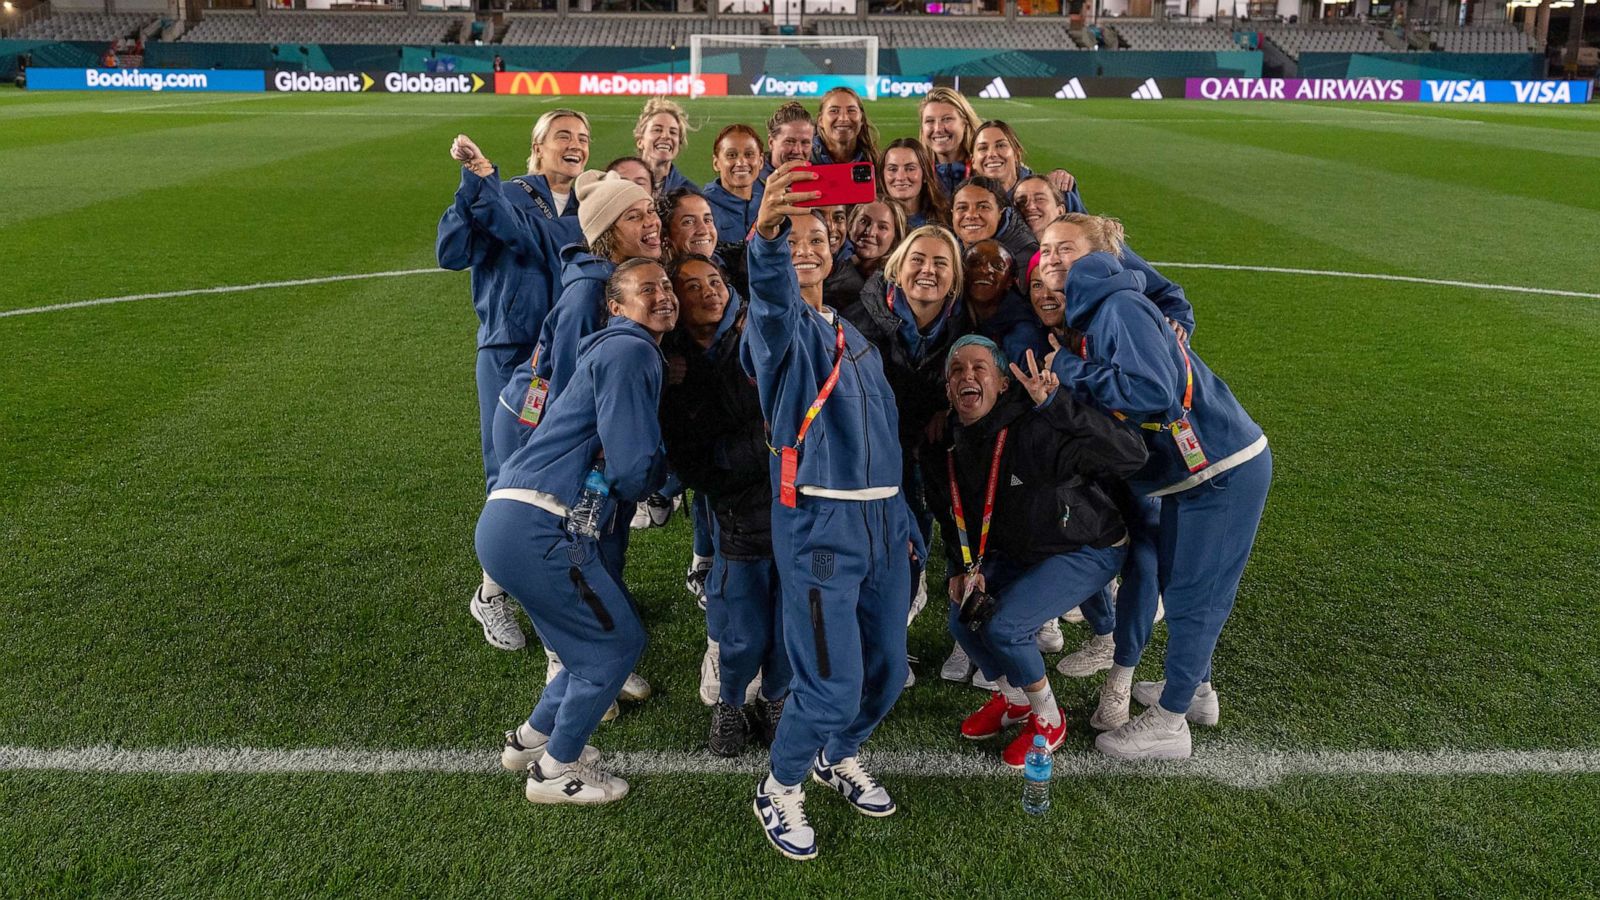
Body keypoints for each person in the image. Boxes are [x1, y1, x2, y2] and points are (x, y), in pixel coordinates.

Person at [1038, 213, 1271, 761]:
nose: (1051, 258)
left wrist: (1068, 368)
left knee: (1194, 597)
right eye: (1046, 249)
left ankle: (1170, 724)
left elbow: (1152, 391)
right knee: (1181, 581)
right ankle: (1194, 693)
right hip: (1194, 474)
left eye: (1065, 248)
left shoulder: (1119, 307)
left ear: (1101, 255)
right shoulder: (1101, 308)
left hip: (1221, 469)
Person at [745, 162, 920, 862]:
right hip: (822, 525)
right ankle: (779, 786)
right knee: (829, 683)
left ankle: (837, 756)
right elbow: (767, 298)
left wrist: (904, 528)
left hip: (884, 523)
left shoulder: (854, 332)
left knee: (885, 672)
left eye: (815, 236)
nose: (804, 245)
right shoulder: (779, 332)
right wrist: (764, 240)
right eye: (792, 238)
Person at [477, 258, 677, 806]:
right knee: (619, 645)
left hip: (510, 519)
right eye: (646, 289)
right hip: (543, 523)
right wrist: (666, 480)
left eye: (666, 286)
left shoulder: (612, 347)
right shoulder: (632, 350)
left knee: (581, 647)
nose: (663, 295)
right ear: (614, 306)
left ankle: (529, 741)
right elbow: (632, 466)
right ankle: (553, 772)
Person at [924, 336, 1146, 767]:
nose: (967, 375)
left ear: (1004, 384)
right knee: (963, 619)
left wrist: (1056, 404)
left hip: (1086, 545)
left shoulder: (1034, 426)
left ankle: (1049, 718)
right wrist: (961, 567)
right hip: (1021, 549)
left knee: (1006, 627)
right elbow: (952, 517)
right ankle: (1015, 701)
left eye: (979, 368)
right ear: (948, 390)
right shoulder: (945, 445)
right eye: (956, 370)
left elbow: (1131, 455)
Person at [436, 111, 588, 653]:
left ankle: (557, 583)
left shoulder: (585, 204)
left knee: (563, 471)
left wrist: (486, 196)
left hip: (564, 355)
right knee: (505, 470)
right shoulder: (502, 191)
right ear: (538, 146)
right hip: (509, 349)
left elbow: (539, 243)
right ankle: (492, 592)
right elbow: (450, 253)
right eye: (564, 136)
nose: (576, 145)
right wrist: (474, 189)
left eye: (584, 138)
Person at [659, 255, 791, 756]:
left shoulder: (755, 338)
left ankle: (775, 698)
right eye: (692, 287)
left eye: (715, 281)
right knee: (742, 629)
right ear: (675, 300)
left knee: (787, 623)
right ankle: (731, 704)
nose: (709, 292)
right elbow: (691, 460)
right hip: (737, 516)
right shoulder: (672, 366)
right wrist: (762, 445)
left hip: (792, 509)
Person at [971, 120, 1085, 212]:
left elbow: (1089, 236)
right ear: (973, 161)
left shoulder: (1056, 189)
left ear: (1017, 153)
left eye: (1001, 145)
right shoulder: (966, 201)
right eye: (983, 148)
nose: (992, 154)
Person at [821, 199, 904, 314]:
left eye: (882, 227)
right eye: (864, 221)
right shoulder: (838, 266)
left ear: (896, 237)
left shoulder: (896, 284)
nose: (870, 232)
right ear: (850, 225)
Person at [950, 176, 1037, 265]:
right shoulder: (947, 252)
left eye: (983, 207)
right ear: (952, 213)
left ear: (1001, 212)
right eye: (962, 207)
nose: (971, 215)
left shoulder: (1029, 258)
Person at [703, 124, 766, 244]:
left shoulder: (767, 204)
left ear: (761, 161)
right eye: (731, 155)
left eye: (749, 154)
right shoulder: (703, 208)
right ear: (716, 163)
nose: (741, 162)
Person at [918, 86, 983, 198]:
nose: (938, 128)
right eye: (930, 121)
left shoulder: (986, 169)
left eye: (947, 119)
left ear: (965, 122)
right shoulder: (917, 174)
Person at [879, 137, 949, 230]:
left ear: (925, 174)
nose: (901, 177)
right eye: (892, 169)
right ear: (882, 175)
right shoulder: (871, 219)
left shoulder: (945, 217)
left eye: (910, 169)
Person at [634, 97, 696, 194]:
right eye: (657, 130)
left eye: (673, 132)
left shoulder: (690, 194)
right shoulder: (619, 184)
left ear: (678, 145)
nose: (666, 136)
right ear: (640, 141)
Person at [811, 87, 878, 165]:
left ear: (861, 119)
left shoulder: (877, 164)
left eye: (851, 111)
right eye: (834, 111)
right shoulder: (804, 161)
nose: (843, 118)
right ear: (820, 120)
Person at [760, 101, 815, 182]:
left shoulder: (818, 178)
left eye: (805, 142)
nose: (797, 150)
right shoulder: (750, 181)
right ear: (771, 142)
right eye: (789, 141)